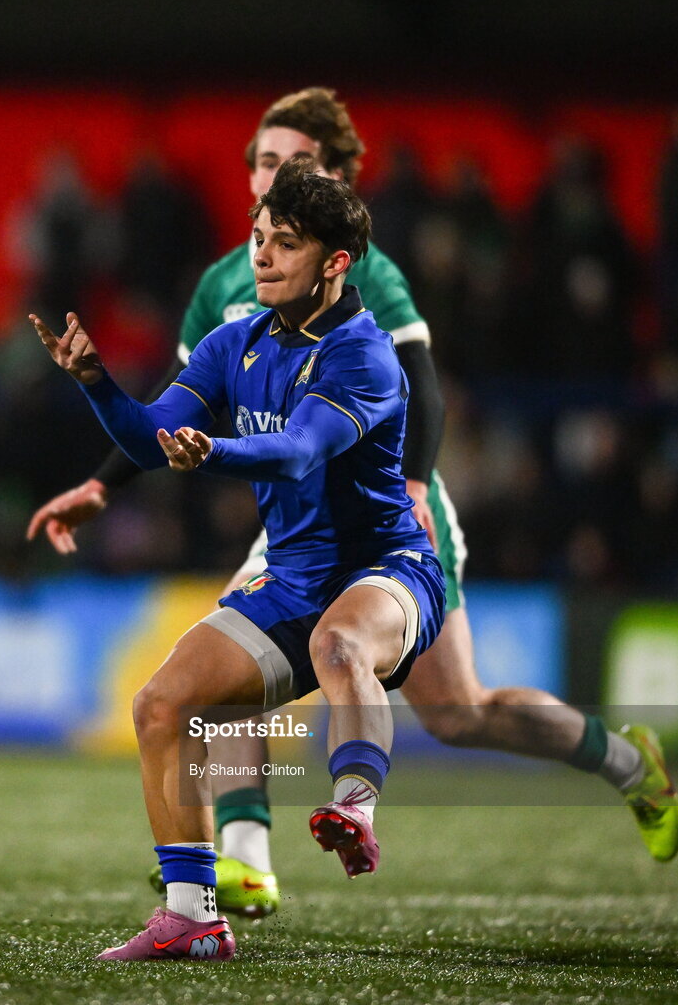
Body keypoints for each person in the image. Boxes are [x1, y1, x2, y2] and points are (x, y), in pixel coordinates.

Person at [28, 89, 678, 921]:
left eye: (289, 165)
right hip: (294, 517)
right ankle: (244, 861)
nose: (269, 181)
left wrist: (412, 484)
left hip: (391, 508)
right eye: (261, 163)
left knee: (455, 712)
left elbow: (421, 392)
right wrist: (98, 477)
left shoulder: (360, 272)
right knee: (221, 657)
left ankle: (625, 761)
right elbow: (169, 415)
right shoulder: (228, 287)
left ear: (330, 182)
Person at [33, 157, 447, 960]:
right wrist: (95, 381)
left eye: (283, 244)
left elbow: (297, 453)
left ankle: (354, 807)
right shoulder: (236, 342)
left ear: (333, 264)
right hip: (292, 579)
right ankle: (193, 919)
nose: (260, 256)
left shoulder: (362, 356)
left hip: (387, 571)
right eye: (257, 238)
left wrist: (212, 448)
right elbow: (151, 437)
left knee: (340, 644)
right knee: (160, 706)